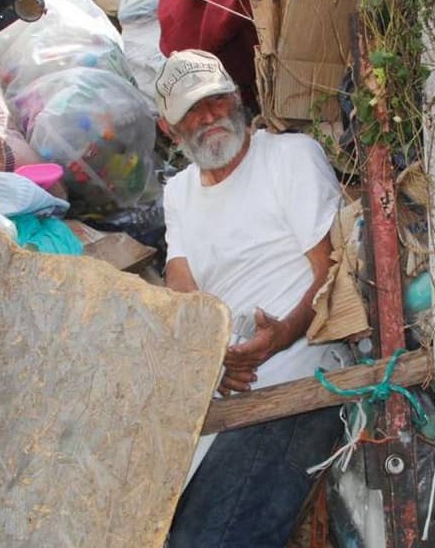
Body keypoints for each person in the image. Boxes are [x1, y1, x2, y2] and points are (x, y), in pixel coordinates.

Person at [155, 49, 344, 547]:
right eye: (192, 111)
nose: (210, 117)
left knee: (210, 539)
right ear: (169, 128)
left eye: (216, 101)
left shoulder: (290, 157)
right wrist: (210, 349)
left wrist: (280, 335)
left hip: (299, 379)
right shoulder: (178, 193)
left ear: (237, 99)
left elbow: (332, 274)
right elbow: (181, 283)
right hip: (222, 387)